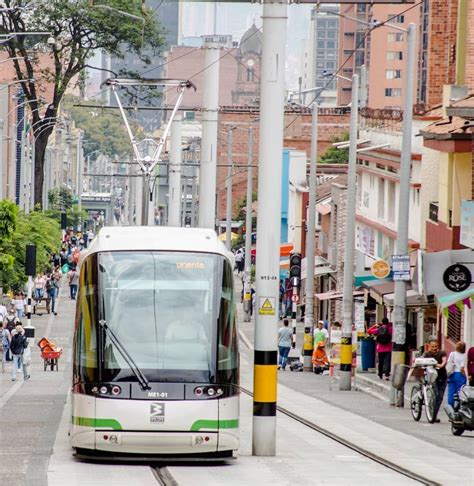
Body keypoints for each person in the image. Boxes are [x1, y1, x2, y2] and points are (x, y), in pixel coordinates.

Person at [423, 339, 447, 422]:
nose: (434, 348)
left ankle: (434, 415)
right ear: (429, 346)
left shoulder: (442, 353)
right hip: (432, 378)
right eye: (432, 346)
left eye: (436, 346)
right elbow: (422, 361)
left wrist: (441, 365)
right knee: (435, 395)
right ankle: (431, 413)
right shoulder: (426, 354)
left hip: (442, 377)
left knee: (440, 398)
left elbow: (444, 360)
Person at [447, 341, 467, 407]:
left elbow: (449, 362)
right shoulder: (464, 355)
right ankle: (459, 405)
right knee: (460, 390)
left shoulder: (452, 354)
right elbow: (462, 368)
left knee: (451, 390)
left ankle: (450, 405)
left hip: (452, 374)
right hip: (459, 374)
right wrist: (465, 376)